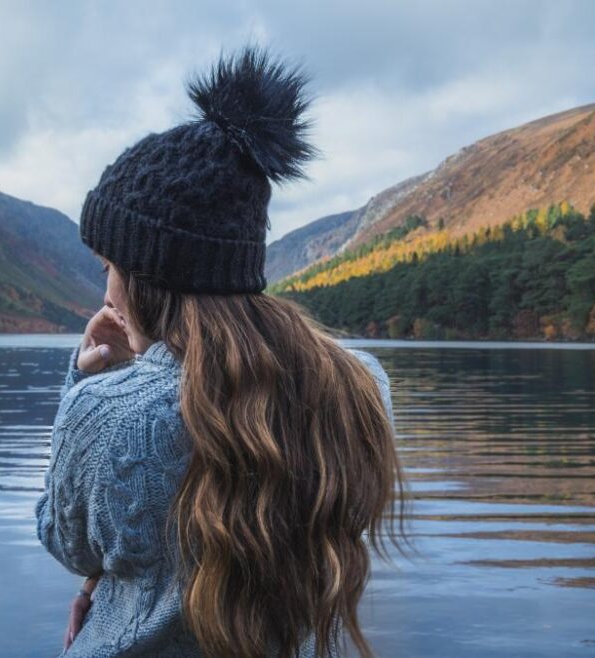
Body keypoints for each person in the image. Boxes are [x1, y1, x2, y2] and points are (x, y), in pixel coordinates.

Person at [34, 44, 408, 658]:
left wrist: (81, 383)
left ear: (150, 274)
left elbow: (68, 541)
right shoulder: (362, 385)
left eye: (110, 267)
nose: (106, 292)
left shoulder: (106, 410)